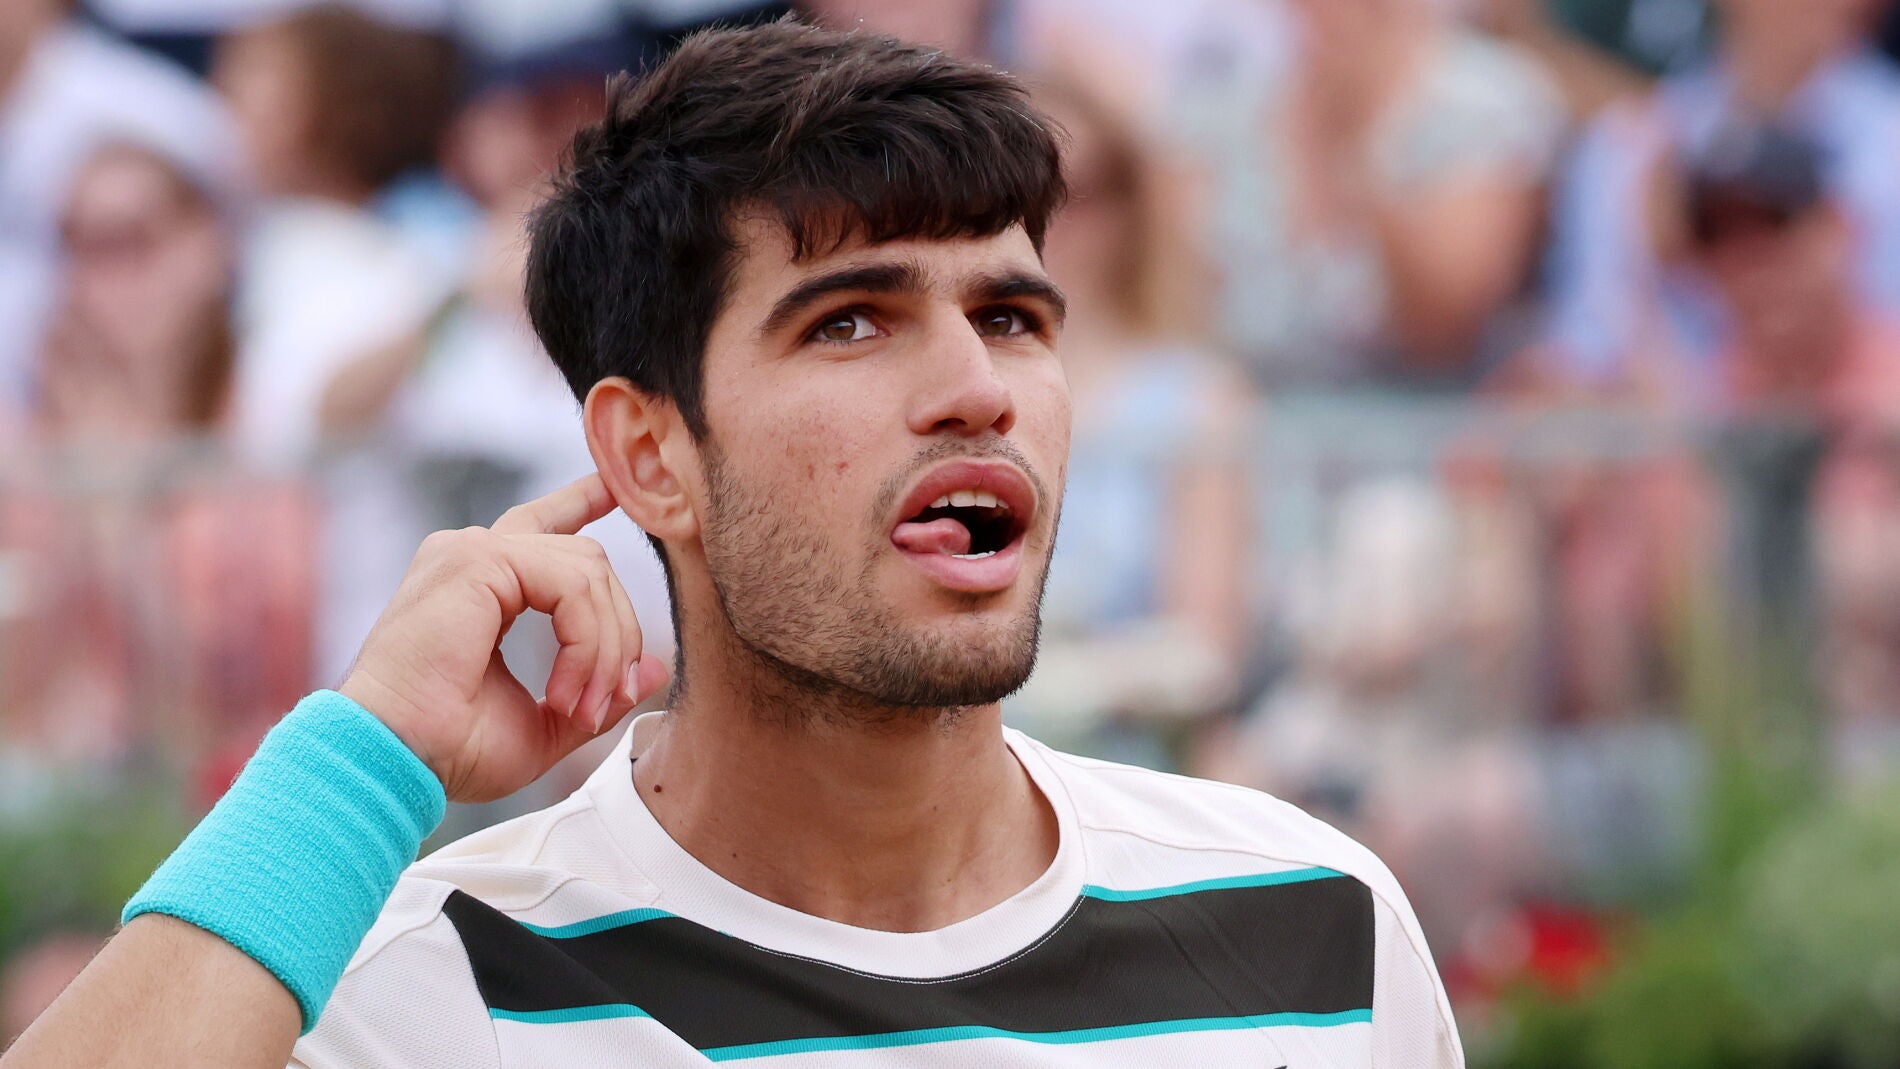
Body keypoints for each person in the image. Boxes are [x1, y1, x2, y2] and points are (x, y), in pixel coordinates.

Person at [2, 21, 1462, 1068]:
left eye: (1012, 315)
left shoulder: (1313, 926)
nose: (977, 385)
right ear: (650, 457)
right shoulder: (438, 994)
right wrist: (363, 759)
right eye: (852, 321)